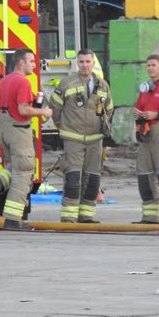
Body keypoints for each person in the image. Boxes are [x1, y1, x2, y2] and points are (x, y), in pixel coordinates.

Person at [0, 48, 53, 229]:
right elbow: (23, 110)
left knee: (15, 165)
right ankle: (13, 220)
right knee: (24, 171)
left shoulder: (5, 80)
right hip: (18, 129)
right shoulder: (23, 82)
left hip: (4, 128)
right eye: (31, 61)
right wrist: (43, 111)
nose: (34, 64)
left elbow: (17, 101)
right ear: (21, 62)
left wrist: (35, 100)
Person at [48, 48, 113, 223]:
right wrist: (62, 127)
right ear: (77, 63)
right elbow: (54, 108)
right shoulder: (66, 83)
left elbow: (109, 108)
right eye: (81, 62)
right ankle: (68, 217)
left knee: (92, 178)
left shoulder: (102, 85)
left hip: (95, 139)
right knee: (73, 177)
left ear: (93, 63)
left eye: (88, 62)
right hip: (73, 138)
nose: (85, 65)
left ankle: (86, 216)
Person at [132, 54, 159, 224]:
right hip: (145, 131)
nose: (150, 68)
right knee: (144, 173)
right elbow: (139, 105)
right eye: (148, 65)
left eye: (153, 65)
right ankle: (150, 216)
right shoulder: (145, 88)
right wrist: (137, 113)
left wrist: (156, 114)